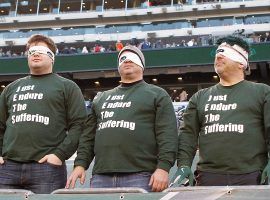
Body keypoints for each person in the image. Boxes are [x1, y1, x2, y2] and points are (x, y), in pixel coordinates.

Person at [66, 45, 178, 192]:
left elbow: (167, 134)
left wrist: (163, 168)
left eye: (133, 58)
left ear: (142, 65)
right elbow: (88, 136)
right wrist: (80, 164)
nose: (127, 61)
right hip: (101, 176)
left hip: (141, 175)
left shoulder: (157, 94)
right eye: (123, 58)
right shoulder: (101, 98)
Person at [171, 35, 270, 186]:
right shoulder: (199, 97)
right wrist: (184, 164)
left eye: (225, 55)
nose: (219, 57)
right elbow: (187, 135)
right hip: (208, 176)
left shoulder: (262, 92)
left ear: (241, 63)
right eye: (217, 55)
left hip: (252, 175)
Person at [0, 34, 87, 193]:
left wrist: (60, 154)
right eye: (31, 51)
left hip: (46, 168)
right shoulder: (11, 88)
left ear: (52, 57)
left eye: (41, 50)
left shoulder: (67, 87)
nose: (35, 53)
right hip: (7, 167)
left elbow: (79, 125)